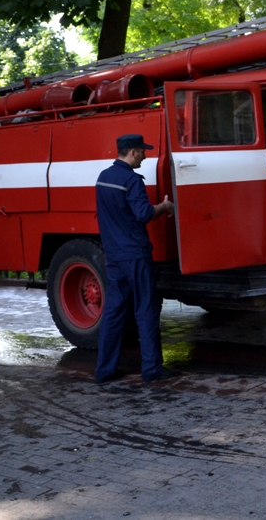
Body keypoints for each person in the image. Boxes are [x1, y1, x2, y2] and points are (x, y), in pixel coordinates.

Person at [94, 134, 177, 384]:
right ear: (132, 152)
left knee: (113, 312)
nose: (145, 155)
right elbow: (143, 214)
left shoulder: (103, 178)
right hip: (135, 255)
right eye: (142, 151)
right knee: (145, 310)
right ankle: (152, 369)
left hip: (114, 255)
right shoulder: (131, 180)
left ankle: (104, 371)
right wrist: (164, 206)